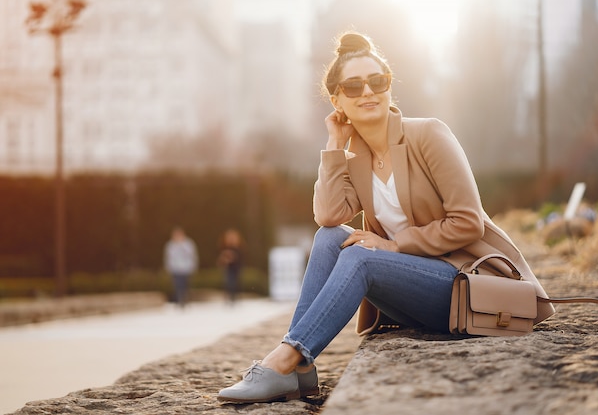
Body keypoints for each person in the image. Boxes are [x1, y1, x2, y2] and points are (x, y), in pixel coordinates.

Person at [218, 31, 555, 404]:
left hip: (466, 285)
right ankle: (301, 370)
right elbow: (327, 216)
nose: (368, 92)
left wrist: (393, 245)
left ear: (389, 87)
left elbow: (468, 222)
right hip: (411, 291)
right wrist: (334, 145)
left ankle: (285, 359)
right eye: (354, 85)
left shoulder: (428, 134)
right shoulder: (354, 158)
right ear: (337, 101)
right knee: (329, 239)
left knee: (361, 256)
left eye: (378, 81)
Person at [164, 226, 198, 308]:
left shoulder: (188, 244)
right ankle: (180, 301)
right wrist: (168, 267)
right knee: (177, 285)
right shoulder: (170, 245)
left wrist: (193, 266)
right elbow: (168, 257)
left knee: (185, 285)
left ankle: (185, 300)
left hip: (186, 268)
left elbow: (192, 255)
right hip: (175, 268)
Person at [217, 228, 243, 304]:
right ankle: (229, 297)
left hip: (236, 267)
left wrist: (232, 258)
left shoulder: (238, 247)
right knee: (228, 282)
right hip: (228, 268)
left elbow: (240, 257)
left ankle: (234, 297)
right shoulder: (224, 247)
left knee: (235, 282)